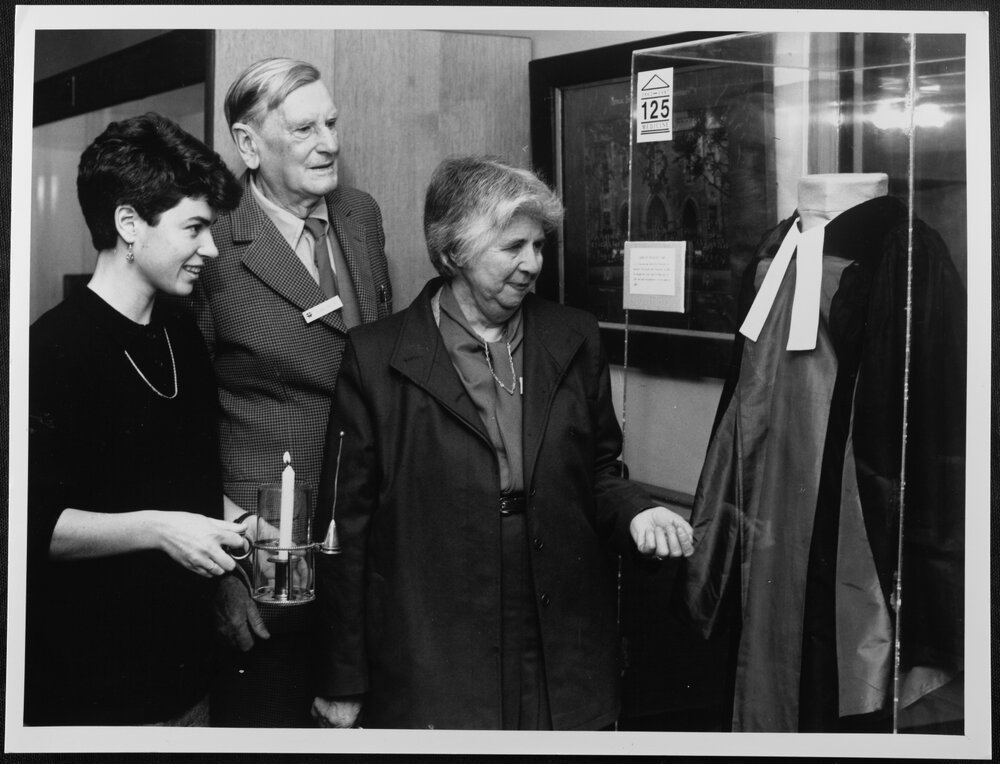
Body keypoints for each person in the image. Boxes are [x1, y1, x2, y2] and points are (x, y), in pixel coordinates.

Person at [311, 156, 694, 730]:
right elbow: (346, 530)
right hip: (433, 636)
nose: (532, 264)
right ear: (453, 252)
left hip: (560, 624)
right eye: (513, 247)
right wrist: (343, 679)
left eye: (539, 246)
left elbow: (598, 473)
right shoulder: (375, 357)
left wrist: (638, 513)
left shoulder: (573, 336)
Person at [192, 57, 393, 726]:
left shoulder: (360, 216)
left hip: (366, 548)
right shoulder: (211, 240)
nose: (330, 143)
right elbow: (176, 426)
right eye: (304, 128)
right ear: (248, 145)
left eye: (332, 122)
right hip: (264, 558)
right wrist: (221, 565)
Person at [25, 113, 245, 725]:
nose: (211, 248)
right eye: (195, 227)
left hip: (185, 672)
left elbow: (187, 479)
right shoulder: (52, 350)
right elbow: (33, 527)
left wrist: (250, 524)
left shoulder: (181, 331)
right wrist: (161, 529)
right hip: (91, 689)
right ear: (128, 223)